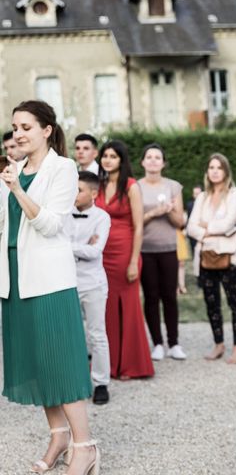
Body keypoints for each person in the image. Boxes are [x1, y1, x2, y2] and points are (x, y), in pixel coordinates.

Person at [0, 100, 99, 474]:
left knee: (60, 361)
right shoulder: (14, 169)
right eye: (14, 128)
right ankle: (58, 435)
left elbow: (52, 225)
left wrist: (18, 191)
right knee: (38, 363)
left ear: (46, 130)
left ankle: (85, 446)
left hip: (49, 280)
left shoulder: (64, 168)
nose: (18, 134)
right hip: (14, 279)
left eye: (26, 127)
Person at [96, 140, 154, 379]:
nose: (108, 160)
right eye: (105, 156)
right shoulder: (97, 186)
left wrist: (133, 261)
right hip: (101, 253)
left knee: (128, 308)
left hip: (125, 253)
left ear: (122, 160)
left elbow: (139, 227)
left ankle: (131, 365)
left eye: (113, 156)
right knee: (106, 308)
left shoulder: (131, 186)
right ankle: (109, 365)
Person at [187, 153, 236, 364]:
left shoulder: (235, 194)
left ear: (226, 171)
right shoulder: (202, 197)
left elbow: (228, 224)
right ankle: (218, 344)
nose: (214, 171)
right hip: (205, 257)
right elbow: (190, 227)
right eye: (211, 167)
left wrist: (205, 228)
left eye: (218, 167)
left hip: (229, 257)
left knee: (234, 302)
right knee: (211, 303)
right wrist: (207, 232)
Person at [65, 171, 112, 405]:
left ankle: (101, 382)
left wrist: (66, 245)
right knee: (71, 334)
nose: (74, 193)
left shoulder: (102, 218)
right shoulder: (63, 214)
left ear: (94, 193)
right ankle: (75, 381)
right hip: (66, 281)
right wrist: (80, 246)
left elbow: (95, 252)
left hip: (93, 283)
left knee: (97, 333)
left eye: (79, 190)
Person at [138, 143, 187, 361]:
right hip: (145, 248)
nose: (153, 161)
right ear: (143, 162)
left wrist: (169, 211)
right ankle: (157, 343)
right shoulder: (136, 187)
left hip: (169, 248)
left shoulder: (173, 186)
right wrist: (155, 212)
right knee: (150, 297)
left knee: (169, 296)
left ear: (163, 163)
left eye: (157, 157)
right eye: (149, 157)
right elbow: (134, 221)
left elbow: (180, 222)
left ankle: (174, 343)